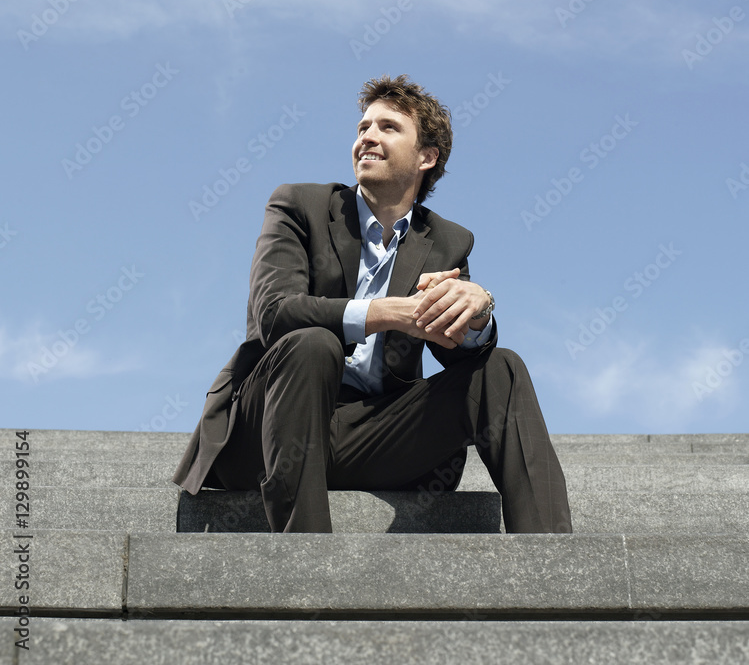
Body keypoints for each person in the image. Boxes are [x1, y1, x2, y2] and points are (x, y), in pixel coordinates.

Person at [173, 74, 572, 534]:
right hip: (268, 431)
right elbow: (275, 314)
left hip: (372, 438)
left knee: (502, 369)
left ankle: (553, 563)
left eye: (387, 127)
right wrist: (388, 313)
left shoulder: (447, 241)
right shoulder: (298, 206)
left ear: (426, 157)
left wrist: (479, 306)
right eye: (363, 127)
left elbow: (460, 349)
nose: (368, 137)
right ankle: (308, 563)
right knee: (312, 344)